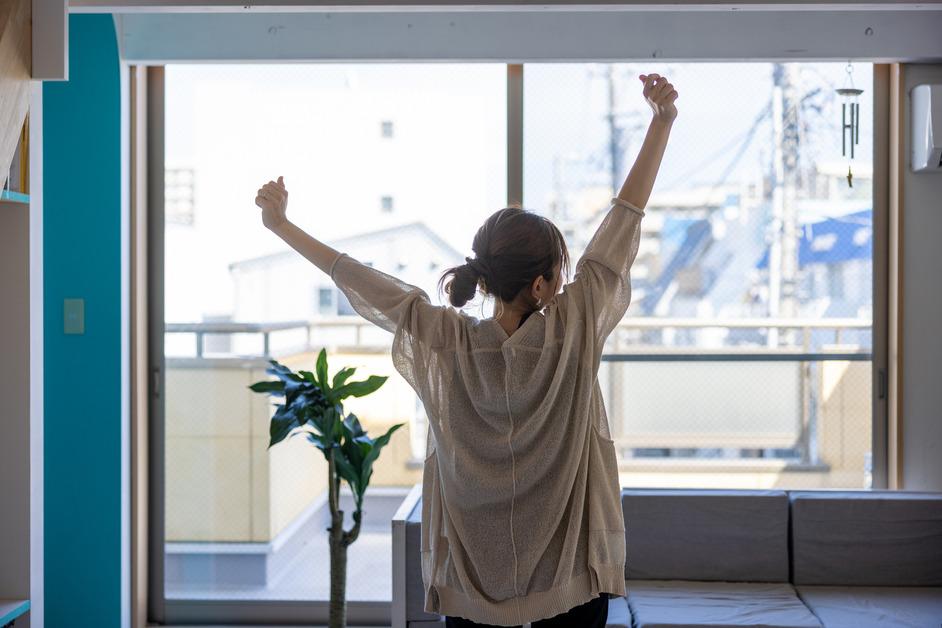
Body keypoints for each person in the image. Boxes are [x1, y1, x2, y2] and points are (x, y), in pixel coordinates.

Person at [254, 72, 677, 627]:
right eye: (559, 270)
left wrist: (282, 226)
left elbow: (359, 279)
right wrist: (662, 122)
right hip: (567, 574)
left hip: (473, 576)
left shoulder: (449, 343)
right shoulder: (572, 329)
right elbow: (624, 220)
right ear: (544, 286)